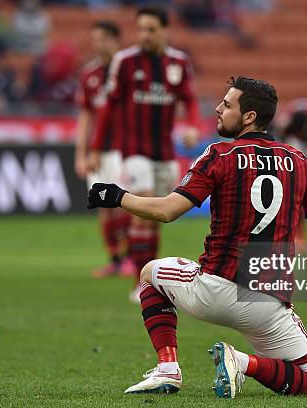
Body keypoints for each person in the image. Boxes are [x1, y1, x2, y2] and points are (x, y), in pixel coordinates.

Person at [87, 76, 307, 397]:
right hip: (268, 304)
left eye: (227, 104)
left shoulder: (219, 155)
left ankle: (168, 369)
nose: (217, 108)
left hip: (215, 290)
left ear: (249, 117)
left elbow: (167, 211)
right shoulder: (299, 162)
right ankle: (243, 362)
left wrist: (118, 196)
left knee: (148, 273)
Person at [88, 6, 201, 301]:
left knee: (156, 216)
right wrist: (97, 148)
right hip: (134, 150)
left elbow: (189, 99)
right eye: (140, 29)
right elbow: (107, 107)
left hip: (165, 152)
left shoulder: (178, 62)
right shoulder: (125, 62)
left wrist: (192, 125)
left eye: (151, 29)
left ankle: (149, 277)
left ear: (165, 30)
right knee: (143, 209)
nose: (145, 35)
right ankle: (142, 283)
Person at [74, 21, 133, 278]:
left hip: (124, 148)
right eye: (94, 39)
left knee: (125, 203)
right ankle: (115, 260)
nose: (97, 44)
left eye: (102, 39)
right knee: (102, 205)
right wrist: (81, 152)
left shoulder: (130, 70)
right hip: (98, 150)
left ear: (115, 40)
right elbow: (86, 115)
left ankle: (131, 257)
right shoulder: (89, 74)